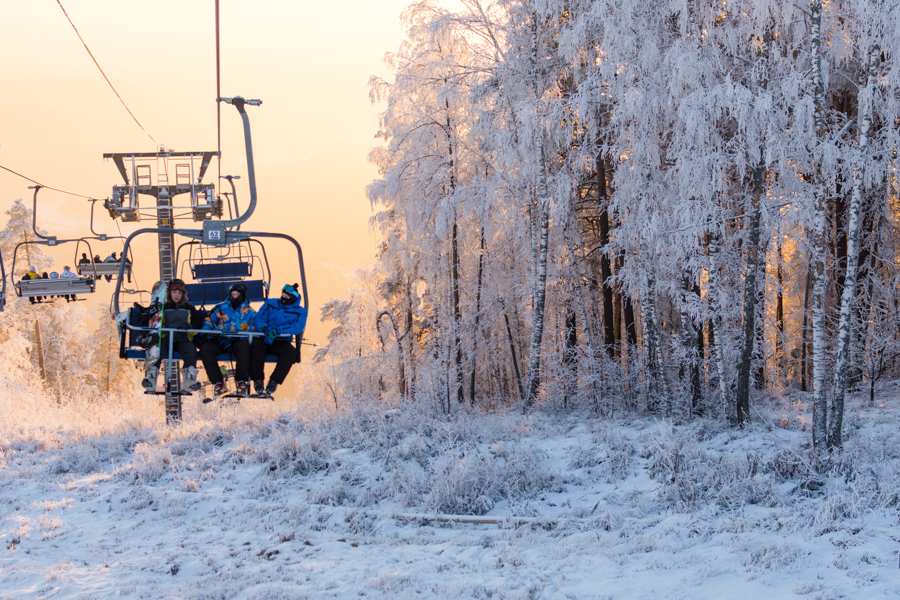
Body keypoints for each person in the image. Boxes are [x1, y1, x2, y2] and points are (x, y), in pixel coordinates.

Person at [142, 279, 204, 392]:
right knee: (158, 348)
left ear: (183, 294)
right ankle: (151, 377)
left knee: (190, 350)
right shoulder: (164, 308)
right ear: (170, 293)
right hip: (166, 337)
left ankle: (188, 379)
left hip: (183, 338)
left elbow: (196, 325)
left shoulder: (189, 308)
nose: (177, 295)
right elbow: (157, 322)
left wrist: (188, 328)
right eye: (174, 292)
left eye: (180, 293)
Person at [198, 282, 256, 397]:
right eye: (232, 294)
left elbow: (253, 330)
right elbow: (209, 322)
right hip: (220, 340)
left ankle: (241, 382)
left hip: (237, 341)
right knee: (206, 349)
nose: (234, 297)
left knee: (244, 347)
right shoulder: (221, 307)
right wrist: (211, 335)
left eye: (237, 294)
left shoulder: (250, 312)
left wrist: (236, 338)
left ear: (243, 295)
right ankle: (218, 383)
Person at [249, 283, 307, 397]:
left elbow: (297, 327)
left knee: (290, 352)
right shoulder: (270, 303)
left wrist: (279, 330)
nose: (283, 298)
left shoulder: (300, 312)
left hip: (281, 340)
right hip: (263, 337)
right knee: (255, 346)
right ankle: (258, 380)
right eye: (282, 295)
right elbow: (259, 318)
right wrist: (264, 328)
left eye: (286, 296)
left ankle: (274, 381)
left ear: (292, 298)